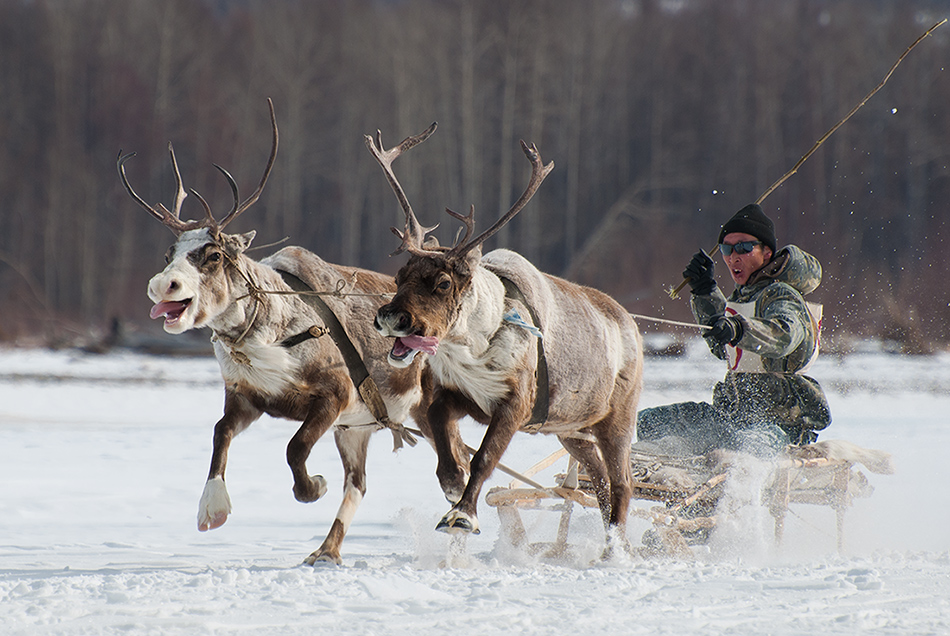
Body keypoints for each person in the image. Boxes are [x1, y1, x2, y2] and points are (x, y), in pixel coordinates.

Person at [637, 203, 831, 457]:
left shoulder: (781, 295)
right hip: (732, 417)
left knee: (745, 448)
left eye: (744, 247)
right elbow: (723, 347)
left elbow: (785, 335)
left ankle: (716, 473)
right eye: (727, 249)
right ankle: (681, 463)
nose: (733, 257)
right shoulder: (743, 296)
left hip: (780, 425)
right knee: (648, 422)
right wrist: (705, 291)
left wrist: (738, 328)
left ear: (767, 253)